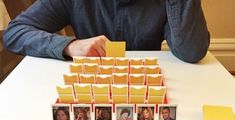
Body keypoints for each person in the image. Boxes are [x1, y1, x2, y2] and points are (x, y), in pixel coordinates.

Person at [3, 1, 210, 63]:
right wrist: (69, 45)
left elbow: (191, 52)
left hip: (149, 89)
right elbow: (14, 33)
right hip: (88, 89)